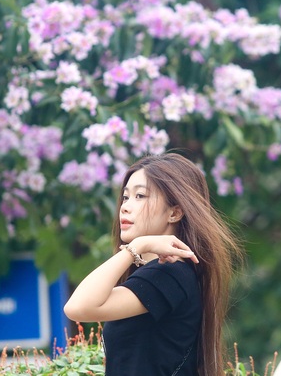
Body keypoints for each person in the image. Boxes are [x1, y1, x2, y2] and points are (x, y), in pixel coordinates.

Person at [64, 153, 241, 376]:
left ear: (175, 212)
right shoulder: (162, 273)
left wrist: (137, 245)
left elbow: (77, 308)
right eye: (126, 197)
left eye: (140, 196)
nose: (125, 207)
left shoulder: (168, 273)